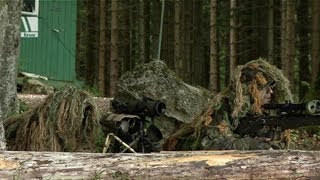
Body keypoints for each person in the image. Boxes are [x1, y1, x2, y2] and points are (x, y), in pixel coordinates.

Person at [164, 58, 293, 150]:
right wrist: (249, 145)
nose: (271, 92)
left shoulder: (261, 111)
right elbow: (210, 144)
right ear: (251, 89)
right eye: (265, 88)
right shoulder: (225, 107)